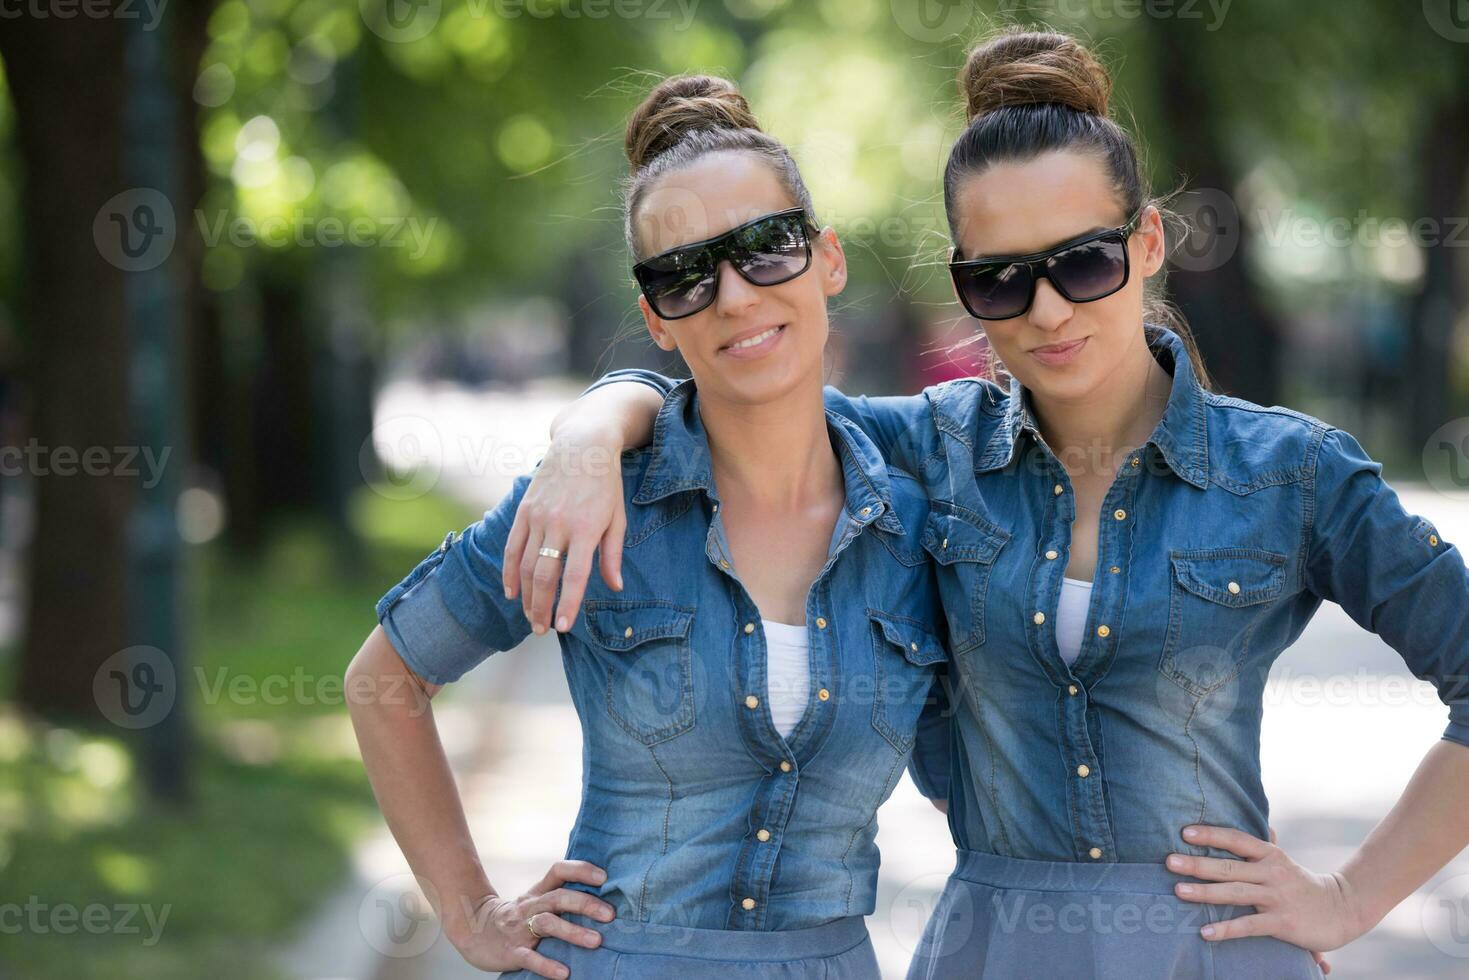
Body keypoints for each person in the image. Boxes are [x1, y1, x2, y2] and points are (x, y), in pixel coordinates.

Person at [506, 29, 1469, 979]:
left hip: (1215, 957)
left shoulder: (1290, 473)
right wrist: (591, 431)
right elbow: (735, 401)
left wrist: (1347, 900)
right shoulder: (921, 448)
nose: (1046, 310)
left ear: (1145, 243)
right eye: (998, 279)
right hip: (989, 949)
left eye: (1082, 262)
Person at [346, 74, 949, 980]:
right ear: (656, 321)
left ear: (827, 258)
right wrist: (471, 914)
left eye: (765, 248)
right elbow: (385, 681)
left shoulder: (917, 524)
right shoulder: (585, 500)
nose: (735, 297)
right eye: (684, 276)